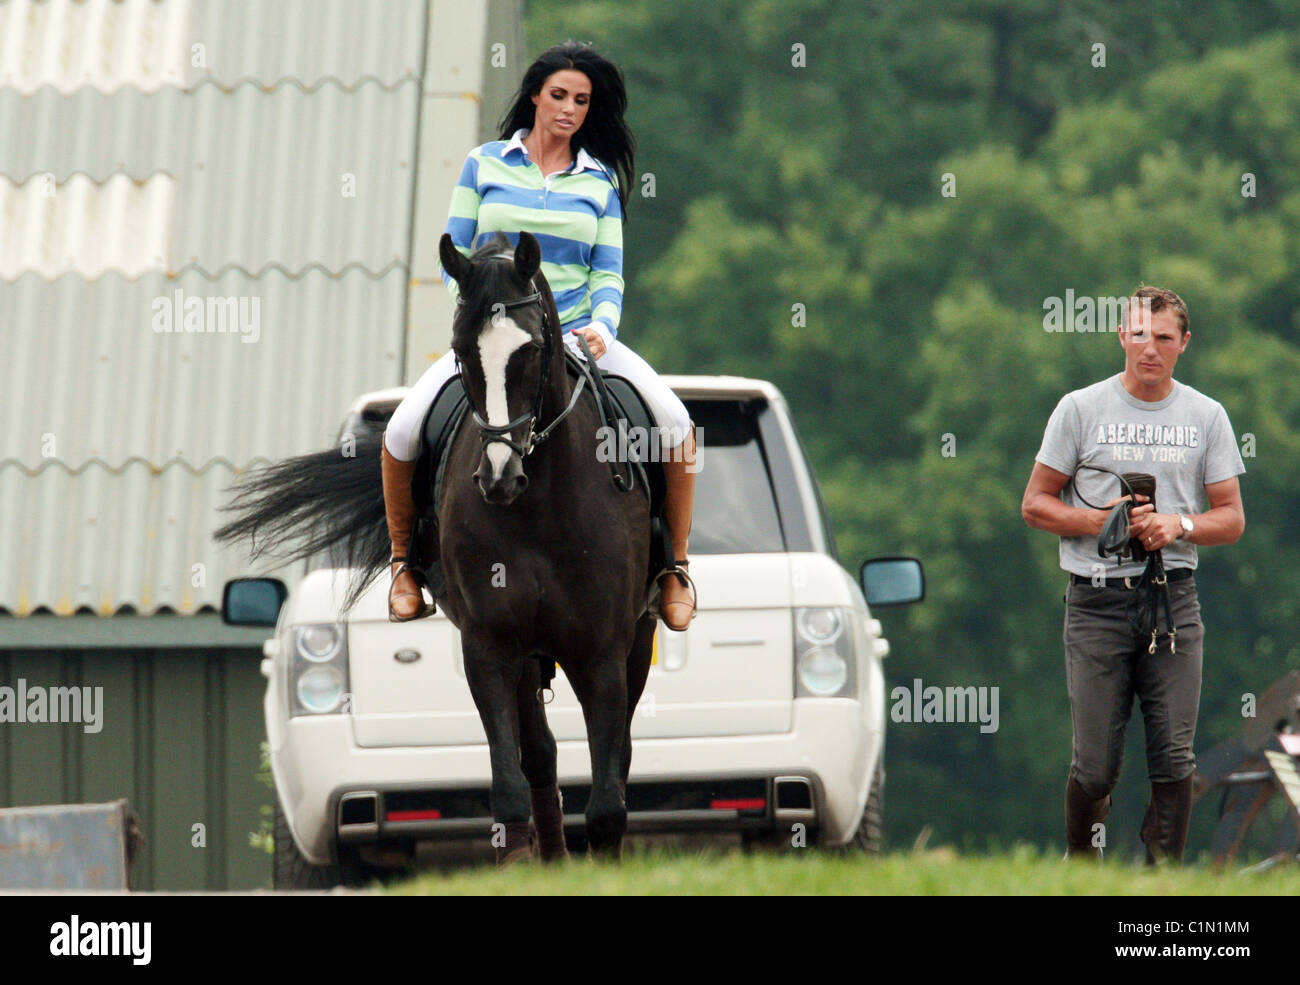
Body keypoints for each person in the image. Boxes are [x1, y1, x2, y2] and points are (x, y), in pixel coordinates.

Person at [379, 41, 698, 629]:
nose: (569, 109)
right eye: (559, 95)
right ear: (534, 96)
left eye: (581, 100)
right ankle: (403, 565)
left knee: (676, 425)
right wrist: (479, 324)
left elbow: (607, 272)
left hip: (576, 334)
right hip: (492, 339)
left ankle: (675, 568)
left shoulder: (598, 182)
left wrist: (602, 326)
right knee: (401, 430)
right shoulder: (484, 164)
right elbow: (457, 255)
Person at [1021, 286, 1245, 863]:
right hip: (1096, 602)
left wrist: (1178, 525)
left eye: (1164, 338)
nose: (1150, 348)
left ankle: (1161, 875)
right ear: (1122, 334)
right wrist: (1100, 520)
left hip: (1172, 604)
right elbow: (1035, 504)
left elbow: (1231, 518)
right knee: (1095, 766)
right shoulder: (1079, 409)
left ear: (1183, 344)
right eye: (1140, 334)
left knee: (1174, 756)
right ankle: (1082, 860)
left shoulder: (1206, 416)